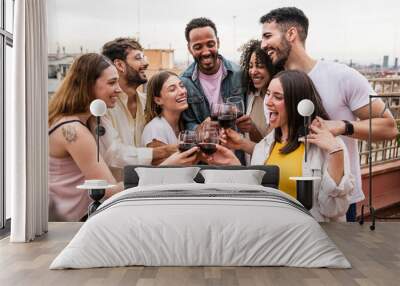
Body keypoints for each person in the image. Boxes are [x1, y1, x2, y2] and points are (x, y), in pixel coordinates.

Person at [259, 7, 398, 221]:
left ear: (291, 34)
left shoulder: (342, 76)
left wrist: (343, 126)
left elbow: (389, 128)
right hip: (290, 204)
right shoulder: (275, 87)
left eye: (268, 35)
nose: (263, 45)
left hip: (337, 200)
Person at [205, 70, 354, 222]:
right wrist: (234, 164)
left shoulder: (328, 147)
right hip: (273, 235)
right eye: (268, 94)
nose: (268, 101)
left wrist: (336, 153)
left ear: (298, 103)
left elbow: (333, 209)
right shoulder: (264, 146)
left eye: (277, 97)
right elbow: (257, 200)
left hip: (310, 238)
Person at [48, 53, 123, 222]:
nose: (119, 89)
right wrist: (149, 179)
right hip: (71, 225)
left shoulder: (86, 121)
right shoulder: (74, 130)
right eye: (112, 82)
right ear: (89, 86)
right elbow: (108, 191)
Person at [100, 38, 177, 178]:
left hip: (146, 190)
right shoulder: (103, 106)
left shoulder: (148, 103)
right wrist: (169, 150)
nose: (146, 63)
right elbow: (113, 154)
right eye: (138, 58)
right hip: (116, 195)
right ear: (120, 65)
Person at [180, 17, 245, 131]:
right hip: (204, 147)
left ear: (218, 43)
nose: (205, 52)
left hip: (236, 147)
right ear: (189, 49)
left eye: (210, 44)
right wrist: (200, 128)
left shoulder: (239, 74)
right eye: (198, 47)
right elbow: (186, 122)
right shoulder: (184, 82)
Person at [141, 71, 199, 166]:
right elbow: (160, 173)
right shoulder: (155, 129)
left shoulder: (183, 125)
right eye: (172, 89)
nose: (182, 91)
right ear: (158, 100)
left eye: (182, 86)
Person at [239, 39, 278, 143]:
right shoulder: (251, 95)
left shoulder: (279, 103)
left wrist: (252, 129)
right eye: (250, 66)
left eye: (260, 66)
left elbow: (269, 149)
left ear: (273, 67)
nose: (253, 71)